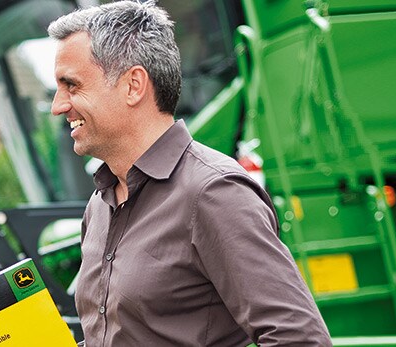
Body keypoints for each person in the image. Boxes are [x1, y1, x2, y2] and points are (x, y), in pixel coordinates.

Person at [46, 1, 331, 346]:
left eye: (72, 86)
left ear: (134, 85)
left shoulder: (214, 192)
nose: (58, 105)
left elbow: (299, 339)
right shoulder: (100, 205)